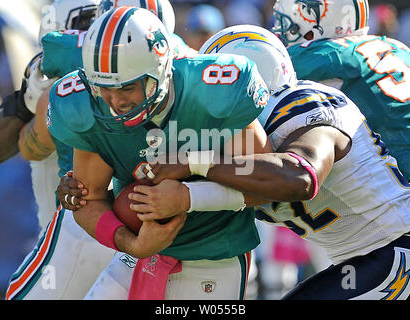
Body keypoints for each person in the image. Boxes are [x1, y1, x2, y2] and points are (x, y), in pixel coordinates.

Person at [114, 24, 410, 300]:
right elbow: (235, 190)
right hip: (368, 257)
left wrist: (196, 162)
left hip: (400, 247)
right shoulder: (235, 139)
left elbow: (299, 177)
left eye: (218, 83)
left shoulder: (301, 105)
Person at [48, 7, 270, 300]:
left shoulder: (214, 91)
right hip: (137, 255)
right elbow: (91, 200)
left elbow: (264, 185)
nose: (114, 102)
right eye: (103, 88)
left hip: (213, 255)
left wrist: (187, 197)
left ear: (160, 70)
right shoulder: (86, 106)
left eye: (126, 87)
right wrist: (131, 243)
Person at [4, 0, 187, 300]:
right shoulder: (192, 62)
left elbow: (27, 149)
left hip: (89, 219)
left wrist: (31, 100)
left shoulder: (70, 66)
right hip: (163, 224)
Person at [271, 0, 410, 187]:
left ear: (313, 22)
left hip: (406, 182)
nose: (280, 31)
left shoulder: (322, 56)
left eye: (287, 24)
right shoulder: (396, 46)